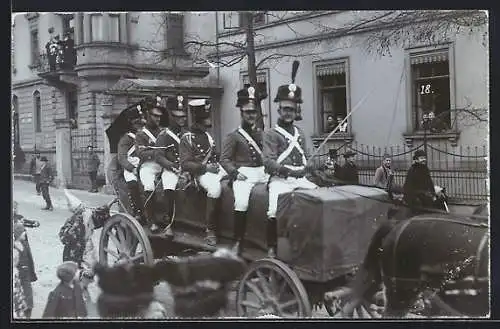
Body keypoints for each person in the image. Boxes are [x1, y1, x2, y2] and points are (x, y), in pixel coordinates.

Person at [263, 67, 318, 258]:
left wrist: (311, 167)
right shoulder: (271, 134)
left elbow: (305, 158)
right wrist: (290, 172)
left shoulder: (300, 134)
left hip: (300, 178)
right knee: (273, 209)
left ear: (296, 112)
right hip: (280, 179)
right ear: (278, 109)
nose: (288, 113)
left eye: (292, 110)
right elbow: (268, 163)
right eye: (285, 109)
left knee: (319, 200)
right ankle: (272, 247)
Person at [220, 85, 269, 255]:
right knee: (241, 203)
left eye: (254, 112)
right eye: (248, 112)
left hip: (262, 172)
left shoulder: (261, 134)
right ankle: (237, 241)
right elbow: (224, 159)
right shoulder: (233, 136)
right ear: (241, 113)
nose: (251, 115)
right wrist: (234, 173)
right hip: (244, 174)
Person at [180, 99, 227, 246]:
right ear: (196, 121)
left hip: (213, 168)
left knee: (237, 178)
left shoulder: (208, 137)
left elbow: (215, 155)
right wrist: (206, 168)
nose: (206, 126)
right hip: (199, 173)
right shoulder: (187, 138)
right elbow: (185, 163)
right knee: (215, 188)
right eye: (203, 122)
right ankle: (210, 230)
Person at [154, 95, 189, 235]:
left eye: (183, 116)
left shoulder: (187, 134)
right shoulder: (164, 135)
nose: (181, 119)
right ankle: (169, 224)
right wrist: (173, 166)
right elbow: (159, 157)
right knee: (169, 186)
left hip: (187, 168)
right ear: (171, 116)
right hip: (171, 169)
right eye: (178, 116)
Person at [136, 96, 168, 230]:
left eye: (159, 116)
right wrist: (156, 153)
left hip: (164, 164)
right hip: (148, 165)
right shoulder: (141, 134)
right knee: (149, 185)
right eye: (155, 116)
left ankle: (168, 216)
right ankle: (151, 219)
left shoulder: (163, 132)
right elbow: (141, 154)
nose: (158, 119)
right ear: (148, 115)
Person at [117, 103, 146, 224]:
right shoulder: (126, 139)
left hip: (145, 166)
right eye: (136, 124)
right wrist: (132, 169)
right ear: (131, 125)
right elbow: (122, 158)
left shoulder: (145, 136)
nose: (139, 126)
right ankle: (138, 212)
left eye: (140, 124)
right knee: (133, 185)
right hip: (131, 169)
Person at [13, 220, 37, 318]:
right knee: (19, 300)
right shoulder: (13, 246)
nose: (25, 233)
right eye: (23, 232)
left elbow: (30, 259)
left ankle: (28, 317)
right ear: (18, 234)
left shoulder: (25, 244)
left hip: (26, 275)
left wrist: (32, 273)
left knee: (29, 300)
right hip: (18, 276)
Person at [59, 190, 87, 266]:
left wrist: (65, 233)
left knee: (71, 266)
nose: (68, 206)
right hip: (81, 246)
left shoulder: (73, 219)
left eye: (69, 204)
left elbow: (65, 236)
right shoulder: (84, 217)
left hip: (72, 248)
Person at [13, 235, 28, 318]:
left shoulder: (16, 272)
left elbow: (18, 290)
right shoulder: (14, 274)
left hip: (18, 304)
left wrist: (22, 302)